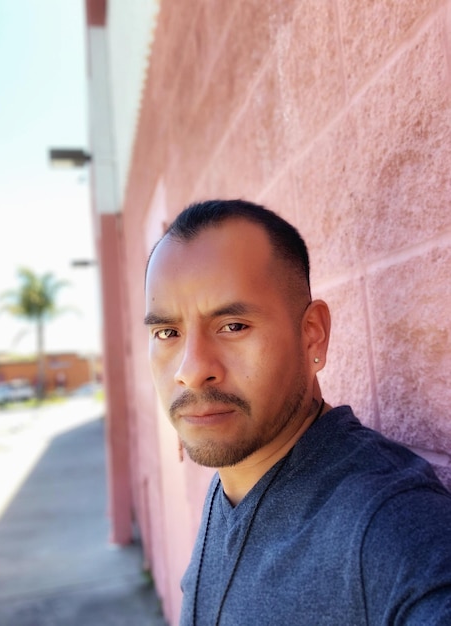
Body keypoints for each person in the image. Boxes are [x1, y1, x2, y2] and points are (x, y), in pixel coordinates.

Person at [144, 199, 451, 625]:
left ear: (312, 335)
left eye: (233, 326)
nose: (191, 371)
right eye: (167, 332)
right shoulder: (233, 476)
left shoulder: (388, 527)